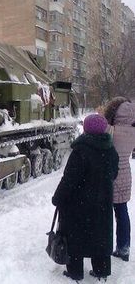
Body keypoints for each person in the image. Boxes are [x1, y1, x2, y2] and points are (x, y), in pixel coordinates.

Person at [52, 114, 119, 281]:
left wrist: (58, 198)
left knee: (75, 237)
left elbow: (69, 179)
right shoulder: (110, 149)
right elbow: (114, 174)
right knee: (101, 237)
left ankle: (75, 272)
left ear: (86, 129)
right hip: (102, 203)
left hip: (78, 204)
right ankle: (101, 271)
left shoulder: (81, 150)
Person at [103, 97, 135, 262]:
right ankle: (124, 247)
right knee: (122, 212)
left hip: (110, 175)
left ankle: (104, 247)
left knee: (105, 214)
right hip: (125, 176)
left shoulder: (110, 130)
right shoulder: (133, 131)